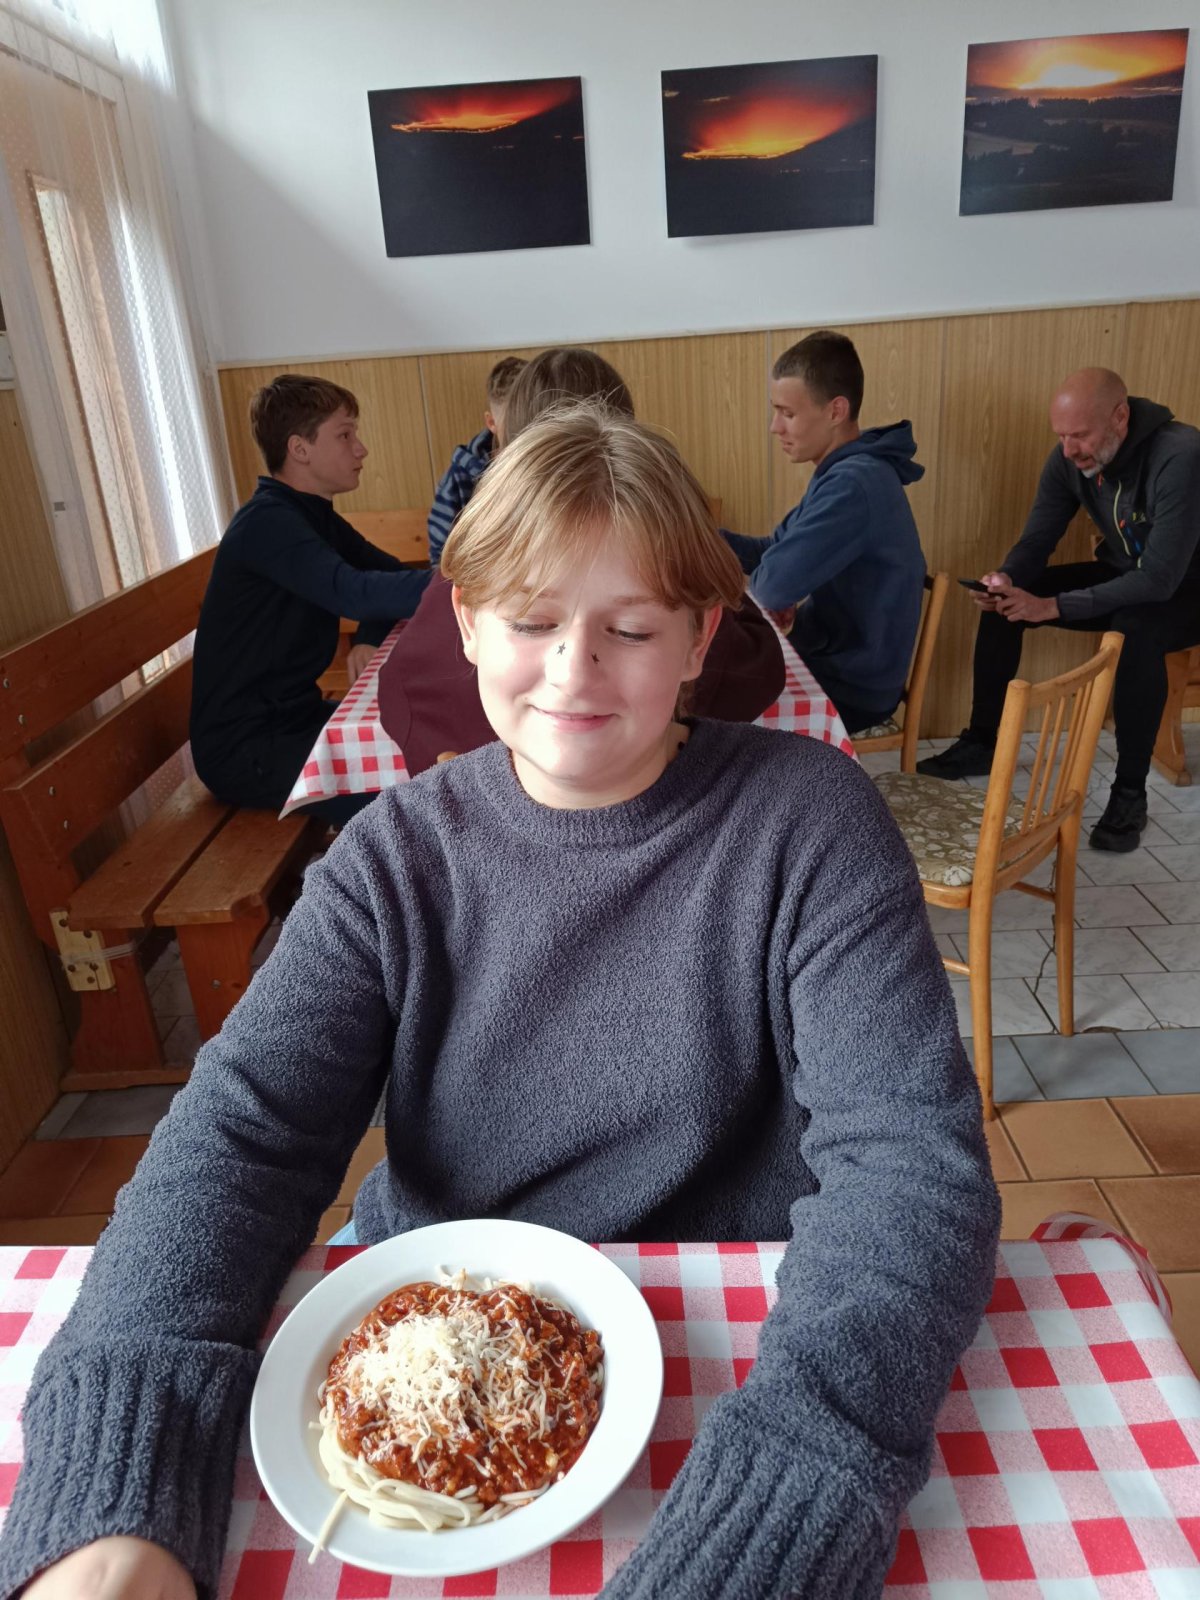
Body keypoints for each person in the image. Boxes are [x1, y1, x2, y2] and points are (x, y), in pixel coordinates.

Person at [1, 404, 998, 1600]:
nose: (575, 668)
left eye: (632, 627)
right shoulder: (391, 857)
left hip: (744, 1340)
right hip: (427, 1357)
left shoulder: (813, 823)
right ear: (467, 623)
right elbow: (239, 1137)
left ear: (700, 637)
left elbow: (910, 1169)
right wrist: (111, 1507)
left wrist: (785, 1499)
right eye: (531, 620)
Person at [379, 347, 785, 772]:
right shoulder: (481, 566)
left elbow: (398, 689)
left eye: (630, 631)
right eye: (531, 624)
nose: (571, 676)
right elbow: (756, 671)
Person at [917, 368, 1200, 853]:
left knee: (1135, 628)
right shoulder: (1068, 457)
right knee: (1006, 603)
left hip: (1185, 590)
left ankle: (1129, 794)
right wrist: (1008, 579)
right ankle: (982, 741)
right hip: (1126, 576)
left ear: (1120, 417)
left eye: (1080, 436)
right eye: (1061, 436)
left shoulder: (1181, 455)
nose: (1069, 450)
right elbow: (1037, 539)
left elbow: (1158, 580)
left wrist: (1052, 606)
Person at [189, 374, 432, 827]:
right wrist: (466, 584)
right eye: (345, 435)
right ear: (299, 449)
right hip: (246, 750)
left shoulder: (310, 516)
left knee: (427, 747)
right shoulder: (268, 523)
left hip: (296, 721)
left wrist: (368, 636)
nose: (361, 449)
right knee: (414, 796)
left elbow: (387, 576)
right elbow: (351, 591)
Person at [722, 330, 927, 734]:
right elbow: (773, 550)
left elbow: (769, 589)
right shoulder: (845, 470)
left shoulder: (854, 483)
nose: (774, 427)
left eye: (787, 413)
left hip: (854, 683)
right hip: (829, 657)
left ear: (836, 411)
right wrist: (698, 537)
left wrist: (781, 585)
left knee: (711, 694)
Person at [426, 354, 527, 564]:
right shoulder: (460, 477)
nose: (522, 432)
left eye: (530, 420)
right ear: (491, 423)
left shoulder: (545, 465)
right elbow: (441, 556)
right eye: (512, 423)